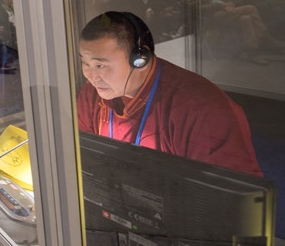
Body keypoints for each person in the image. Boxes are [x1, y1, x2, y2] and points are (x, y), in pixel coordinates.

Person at [75, 11, 262, 176]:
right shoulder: (92, 94)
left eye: (101, 66)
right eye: (85, 64)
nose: (92, 77)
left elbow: (229, 200)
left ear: (140, 61)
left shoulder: (202, 111)